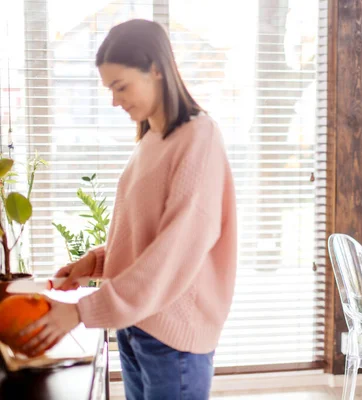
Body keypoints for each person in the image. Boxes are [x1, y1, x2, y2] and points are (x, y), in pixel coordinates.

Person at [16, 19, 237, 400]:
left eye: (121, 86)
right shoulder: (152, 140)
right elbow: (145, 233)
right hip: (138, 327)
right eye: (109, 89)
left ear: (156, 68)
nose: (115, 100)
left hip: (173, 337)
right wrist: (96, 262)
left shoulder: (199, 138)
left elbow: (176, 251)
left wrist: (82, 312)